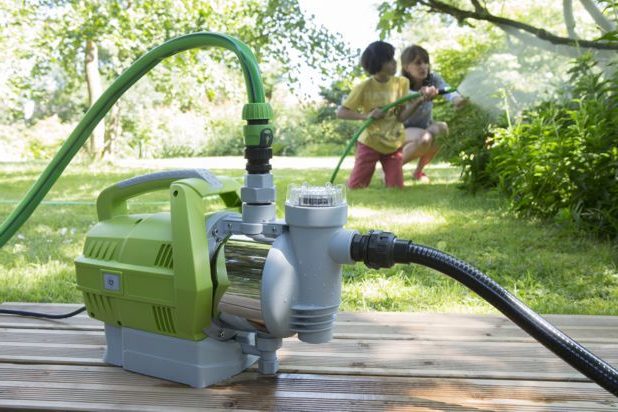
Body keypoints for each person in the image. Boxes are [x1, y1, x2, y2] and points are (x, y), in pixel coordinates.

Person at [336, 41, 430, 189]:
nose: (394, 62)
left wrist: (418, 102)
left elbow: (401, 117)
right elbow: (341, 112)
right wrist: (366, 116)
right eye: (390, 59)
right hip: (370, 143)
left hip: (393, 143)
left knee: (396, 189)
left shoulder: (402, 83)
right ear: (378, 63)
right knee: (357, 186)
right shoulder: (364, 88)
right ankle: (352, 180)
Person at [400, 45, 467, 182]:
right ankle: (390, 172)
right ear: (406, 67)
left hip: (423, 127)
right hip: (398, 130)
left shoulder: (433, 79)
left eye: (425, 62)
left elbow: (447, 90)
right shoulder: (400, 82)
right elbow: (407, 94)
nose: (423, 66)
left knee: (441, 129)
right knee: (425, 137)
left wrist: (457, 99)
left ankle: (418, 172)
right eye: (418, 63)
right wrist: (421, 94)